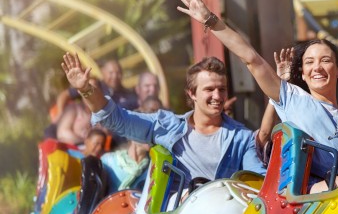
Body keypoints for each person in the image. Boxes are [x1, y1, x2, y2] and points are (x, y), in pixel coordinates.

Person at [176, 0, 338, 192]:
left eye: (325, 60)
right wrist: (210, 20)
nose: (317, 67)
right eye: (309, 62)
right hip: (305, 198)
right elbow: (251, 59)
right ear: (302, 73)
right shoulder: (293, 98)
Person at [61, 54, 266, 184]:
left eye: (222, 89)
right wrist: (86, 90)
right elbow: (116, 118)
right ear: (192, 94)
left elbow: (259, 180)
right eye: (209, 89)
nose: (217, 96)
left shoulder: (241, 138)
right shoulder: (166, 126)